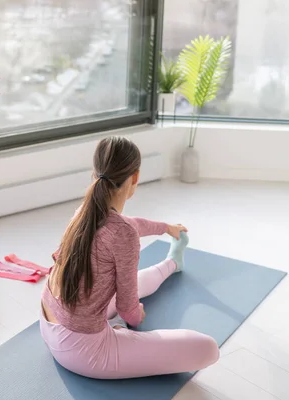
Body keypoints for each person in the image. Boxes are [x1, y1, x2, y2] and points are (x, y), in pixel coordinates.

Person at [40, 136, 220, 379]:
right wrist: (136, 316)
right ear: (135, 178)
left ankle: (173, 263)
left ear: (94, 175)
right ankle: (121, 336)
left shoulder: (85, 211)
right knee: (207, 348)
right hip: (82, 350)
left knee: (132, 282)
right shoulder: (121, 233)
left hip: (48, 321)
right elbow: (128, 309)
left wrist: (165, 227)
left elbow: (131, 225)